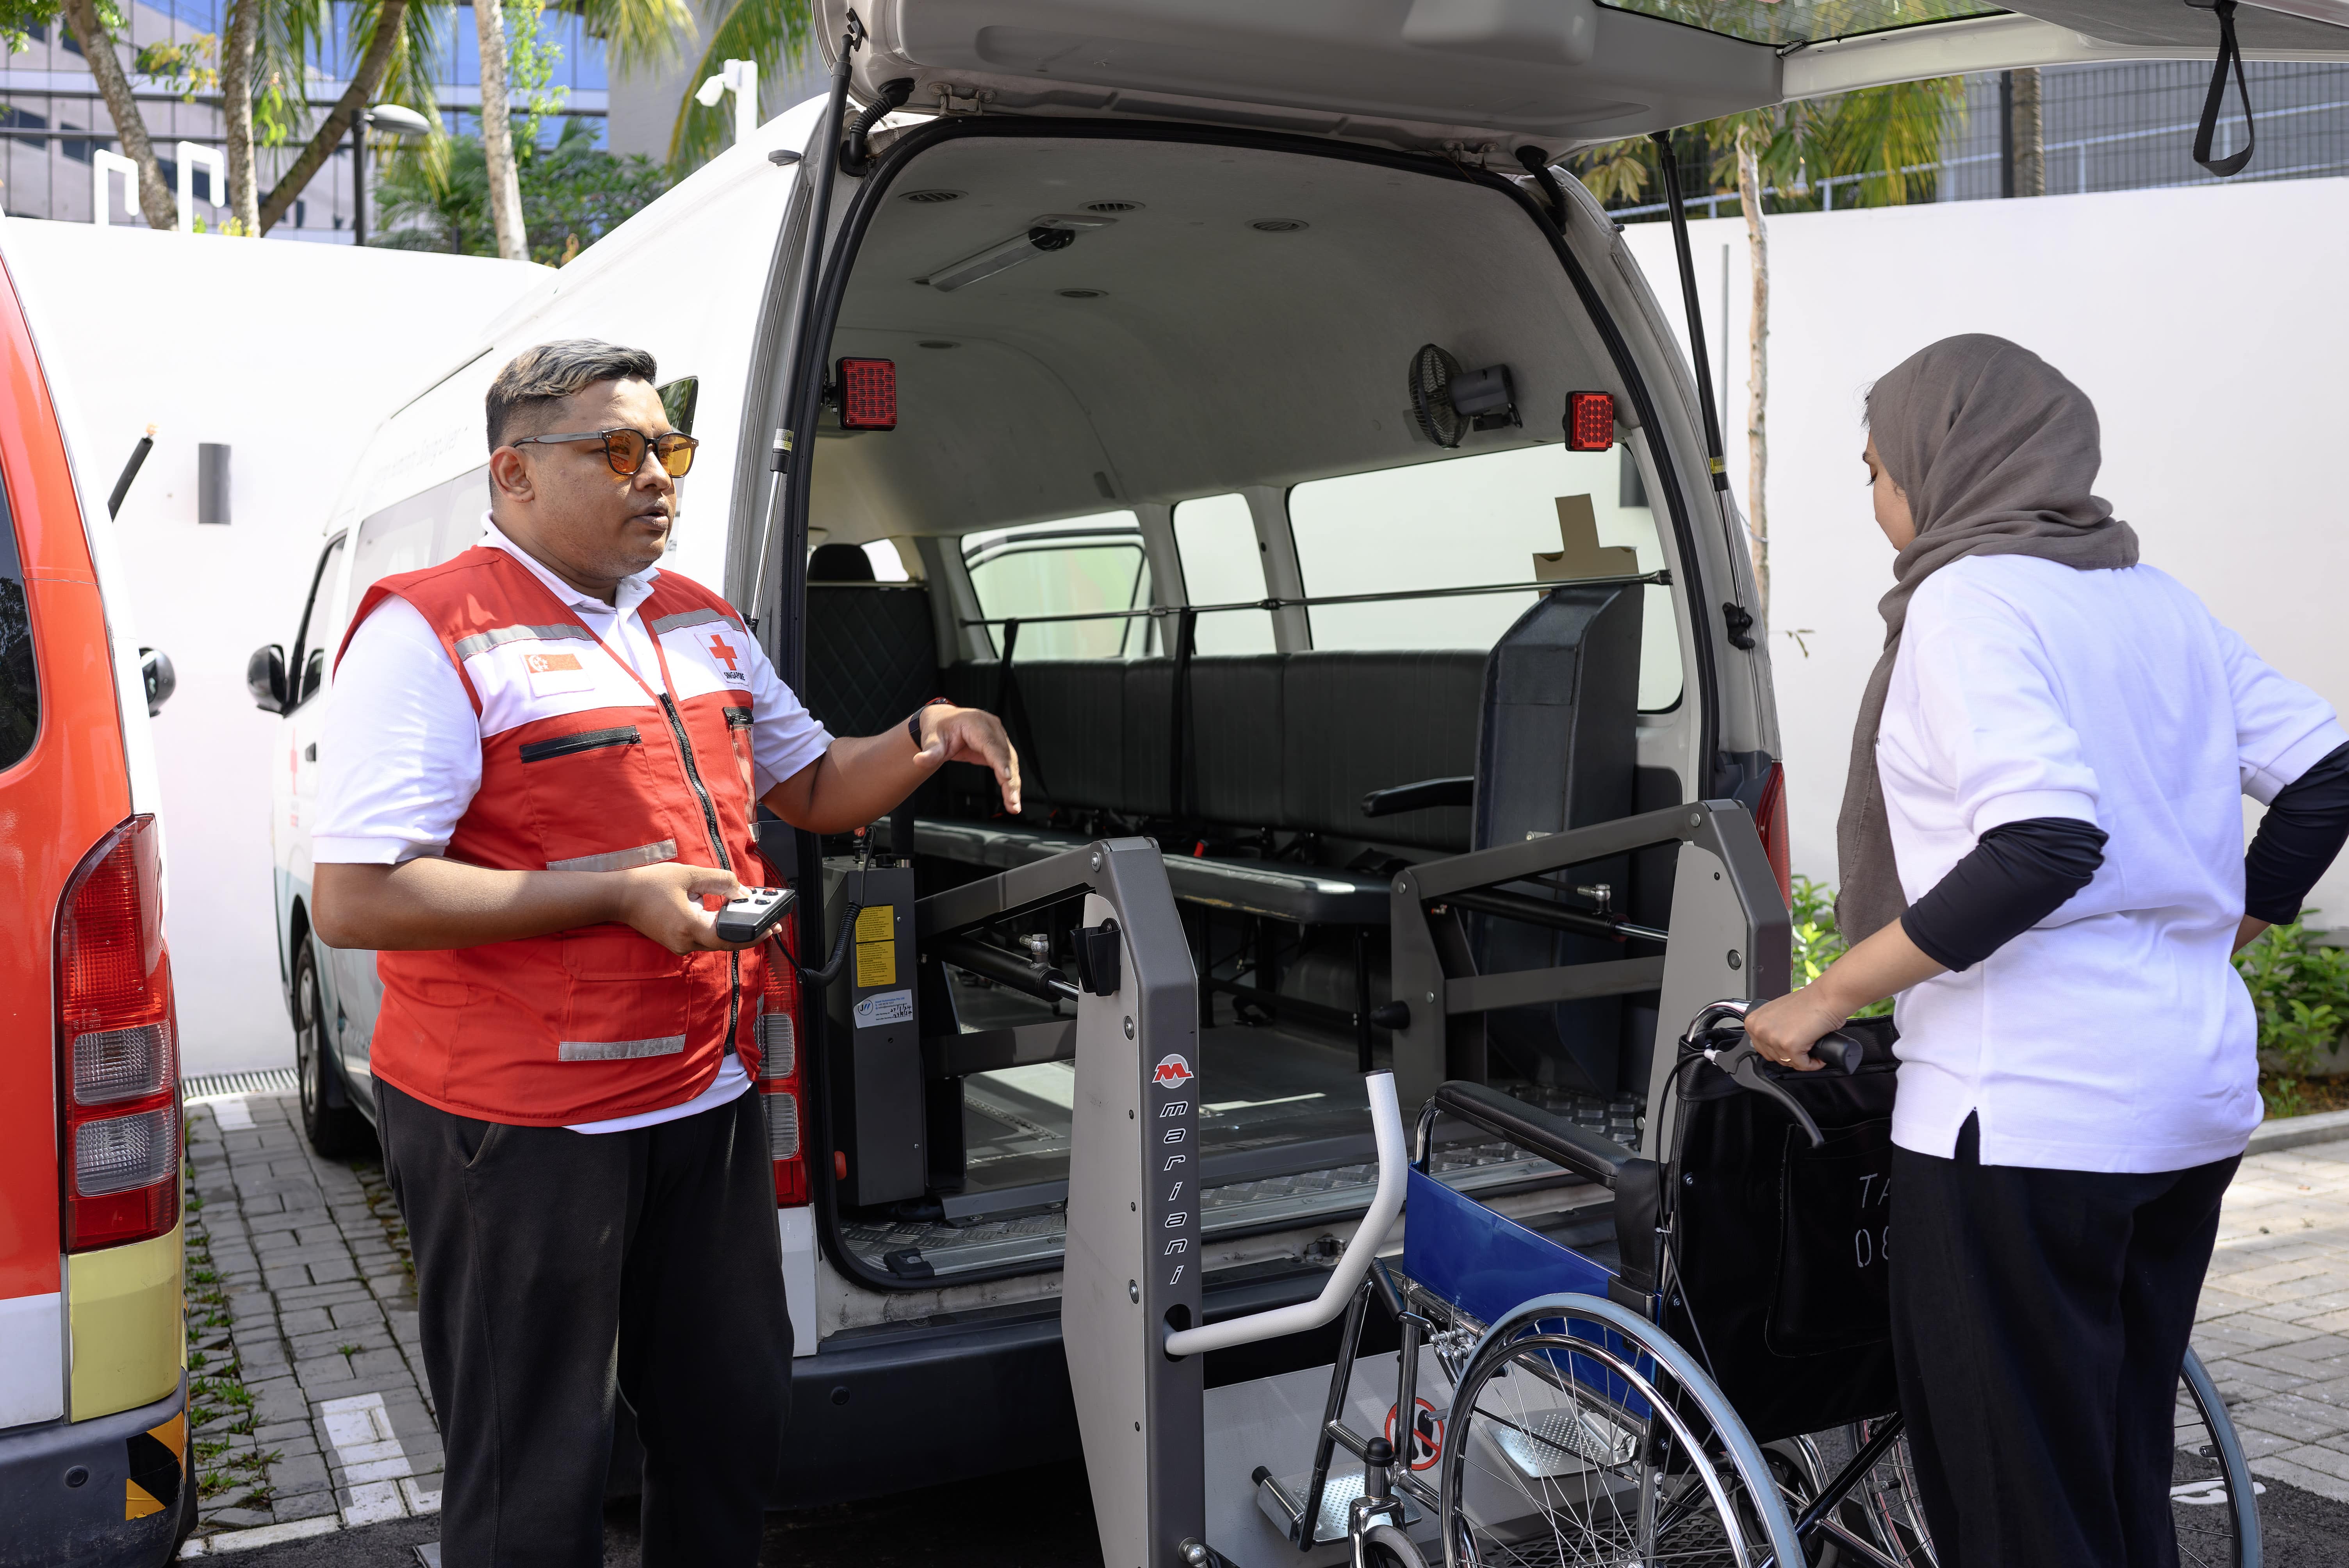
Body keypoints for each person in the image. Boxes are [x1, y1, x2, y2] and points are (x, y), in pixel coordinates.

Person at [309, 339, 1020, 1567]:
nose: (659, 480)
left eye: (668, 450)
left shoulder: (698, 622)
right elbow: (359, 898)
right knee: (533, 1469)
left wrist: (922, 730)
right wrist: (617, 899)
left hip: (708, 1086)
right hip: (522, 1119)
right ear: (516, 475)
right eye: (620, 451)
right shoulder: (432, 632)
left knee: (728, 1421)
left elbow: (810, 785)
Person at [1743, 334, 2349, 1567]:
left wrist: (1823, 997)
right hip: (2187, 1103)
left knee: (2016, 1496)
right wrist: (2237, 915)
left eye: (1876, 469)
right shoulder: (2151, 595)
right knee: (2117, 1460)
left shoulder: (1969, 601)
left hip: (2023, 1114)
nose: (1876, 501)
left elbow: (2040, 844)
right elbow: (2327, 770)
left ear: (1942, 460)